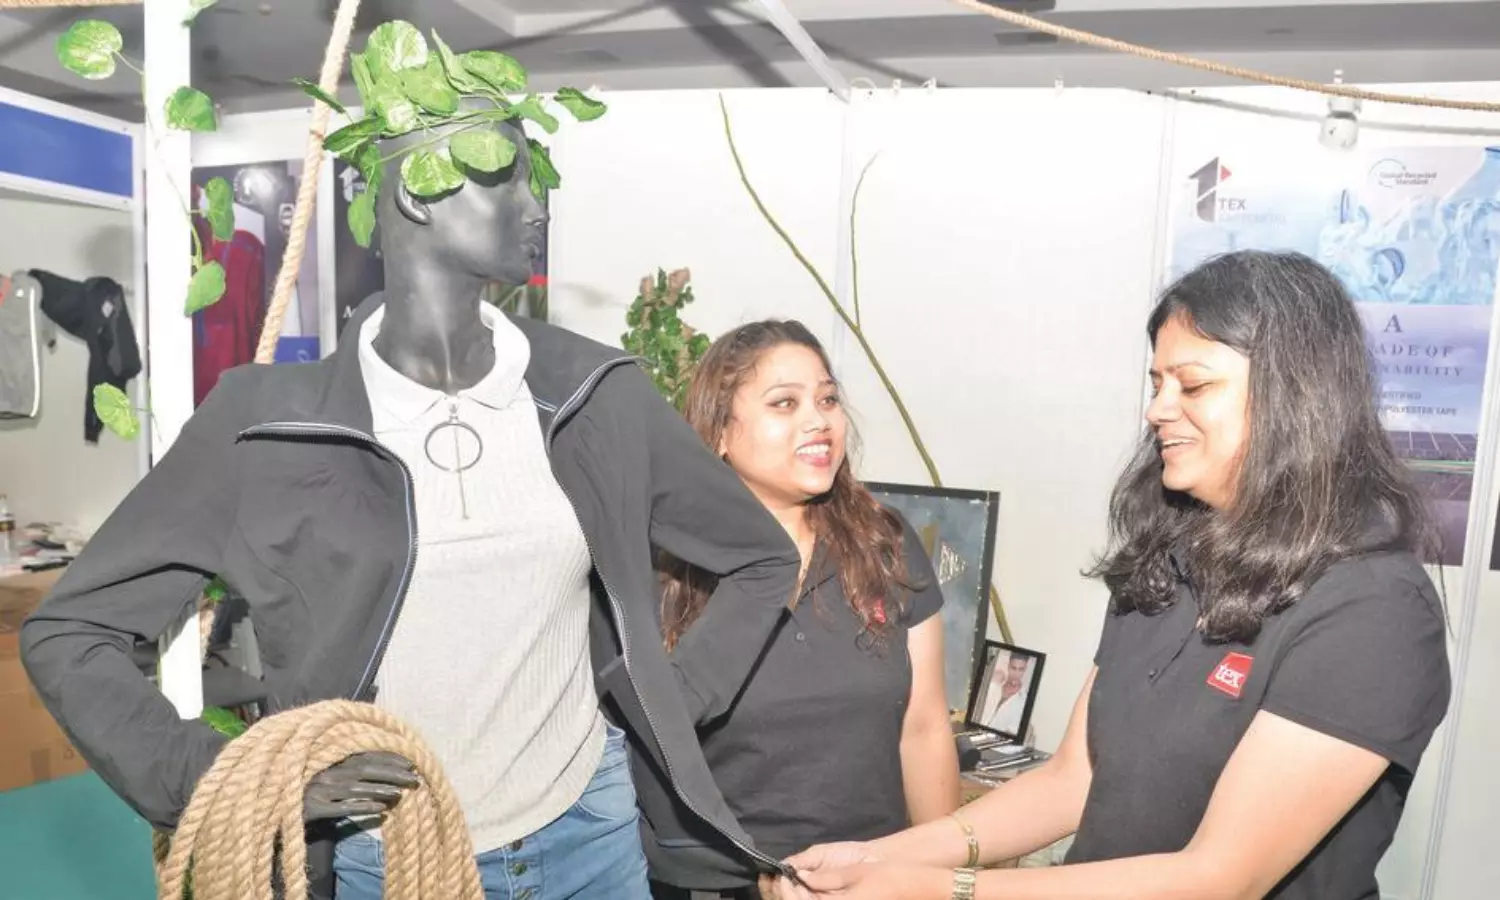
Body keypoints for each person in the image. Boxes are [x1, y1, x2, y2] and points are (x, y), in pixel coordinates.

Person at [21, 111, 802, 900]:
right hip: (390, 860)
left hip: (591, 843)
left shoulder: (592, 390)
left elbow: (760, 557)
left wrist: (660, 706)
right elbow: (69, 634)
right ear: (417, 194)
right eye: (508, 176)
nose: (537, 204)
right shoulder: (264, 425)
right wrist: (243, 777)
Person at [765, 251, 1451, 900]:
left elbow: (1218, 879)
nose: (1157, 409)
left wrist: (938, 890)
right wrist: (882, 858)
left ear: (1295, 396)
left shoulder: (1373, 610)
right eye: (1157, 383)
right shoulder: (1165, 563)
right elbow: (1074, 779)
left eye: (1194, 384)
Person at [651, 320, 961, 899]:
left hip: (874, 882)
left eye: (827, 399)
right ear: (719, 432)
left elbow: (924, 728)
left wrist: (935, 877)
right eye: (785, 403)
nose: (819, 421)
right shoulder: (669, 570)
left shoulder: (885, 545)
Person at [977, 653, 1030, 737]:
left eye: (1021, 669)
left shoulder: (1024, 700)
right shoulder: (994, 686)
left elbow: (1013, 731)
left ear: (1025, 670)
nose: (1016, 674)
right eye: (1013, 668)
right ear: (1008, 667)